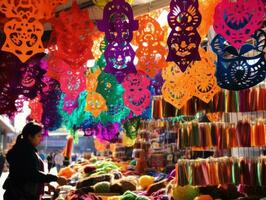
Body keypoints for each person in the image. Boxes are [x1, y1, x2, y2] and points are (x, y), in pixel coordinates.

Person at [3, 122, 68, 200]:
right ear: (30, 136)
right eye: (38, 136)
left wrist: (45, 184)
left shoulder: (28, 150)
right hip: (20, 195)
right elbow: (33, 174)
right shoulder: (25, 151)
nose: (40, 139)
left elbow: (27, 174)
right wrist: (56, 178)